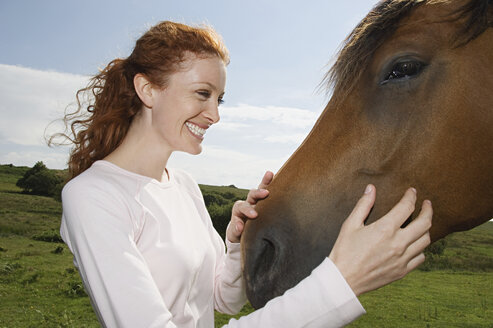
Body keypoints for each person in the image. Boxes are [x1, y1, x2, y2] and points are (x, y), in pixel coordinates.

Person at [54, 21, 432, 328]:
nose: (215, 114)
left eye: (220, 99)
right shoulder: (92, 196)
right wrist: (342, 280)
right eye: (202, 93)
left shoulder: (183, 186)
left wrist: (236, 244)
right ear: (148, 89)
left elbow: (223, 300)